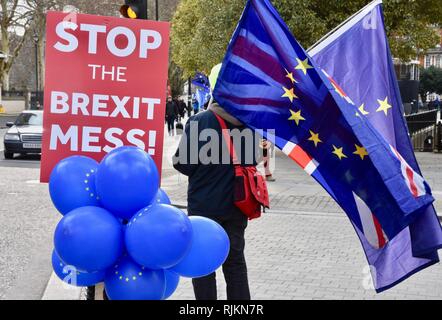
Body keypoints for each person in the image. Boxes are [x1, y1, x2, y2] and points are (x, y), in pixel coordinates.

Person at [173, 100, 257, 300]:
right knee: (235, 262)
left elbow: (183, 164)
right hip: (237, 205)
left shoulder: (200, 120)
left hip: (204, 207)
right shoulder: (249, 122)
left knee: (203, 264)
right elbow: (252, 159)